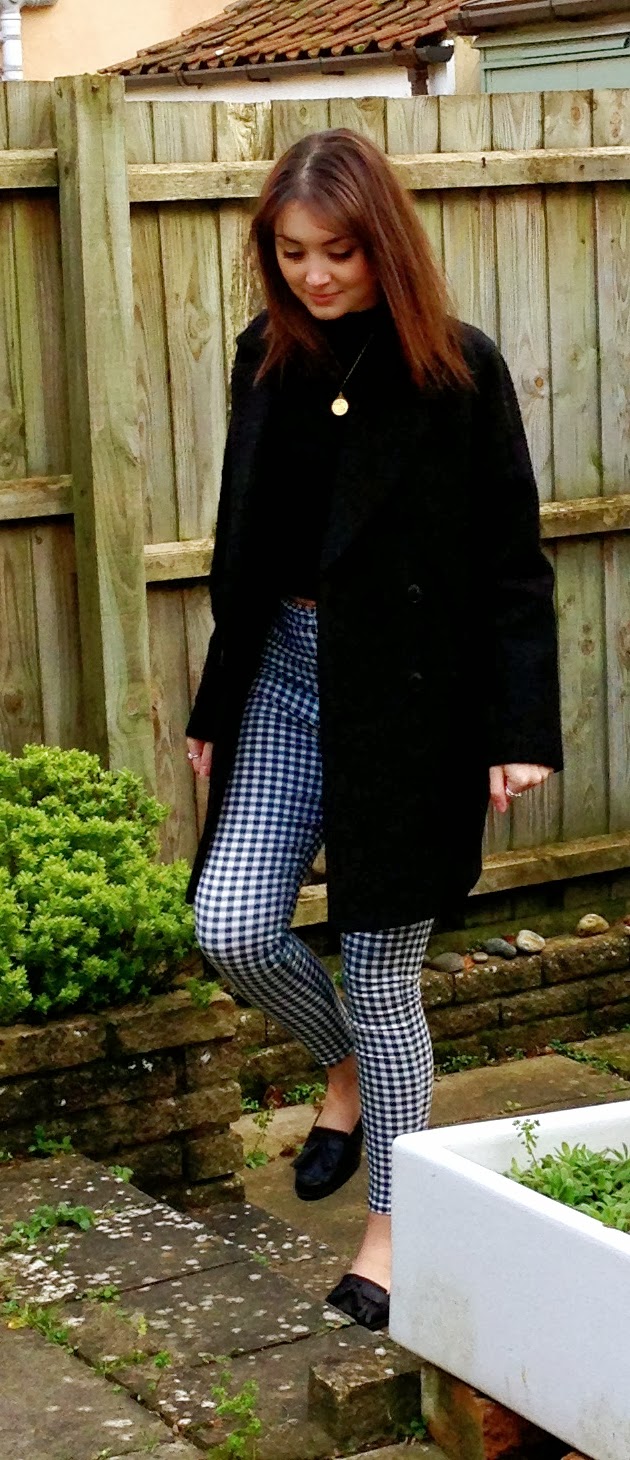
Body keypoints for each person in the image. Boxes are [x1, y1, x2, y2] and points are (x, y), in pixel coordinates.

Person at [185, 129, 563, 1331]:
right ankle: (342, 1065)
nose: (315, 275)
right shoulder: (267, 356)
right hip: (283, 680)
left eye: (338, 252)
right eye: (293, 252)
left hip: (410, 706)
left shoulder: (457, 369)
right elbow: (241, 552)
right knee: (231, 924)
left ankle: (396, 1224)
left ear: (381, 244)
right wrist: (214, 706)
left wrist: (518, 727)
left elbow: (511, 562)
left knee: (384, 968)